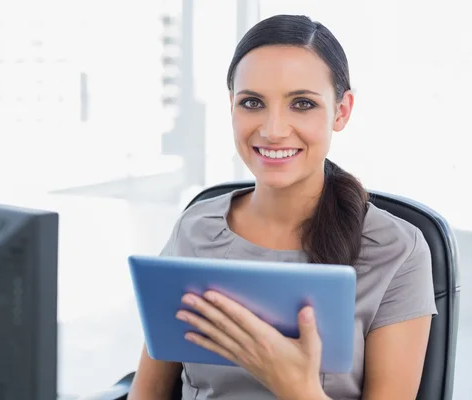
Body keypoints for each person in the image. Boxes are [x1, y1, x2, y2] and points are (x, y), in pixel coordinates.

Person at [129, 14, 437, 400]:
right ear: (231, 108)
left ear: (341, 112)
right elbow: (147, 392)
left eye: (302, 103)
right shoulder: (195, 228)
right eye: (252, 102)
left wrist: (297, 387)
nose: (273, 129)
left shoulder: (397, 249)